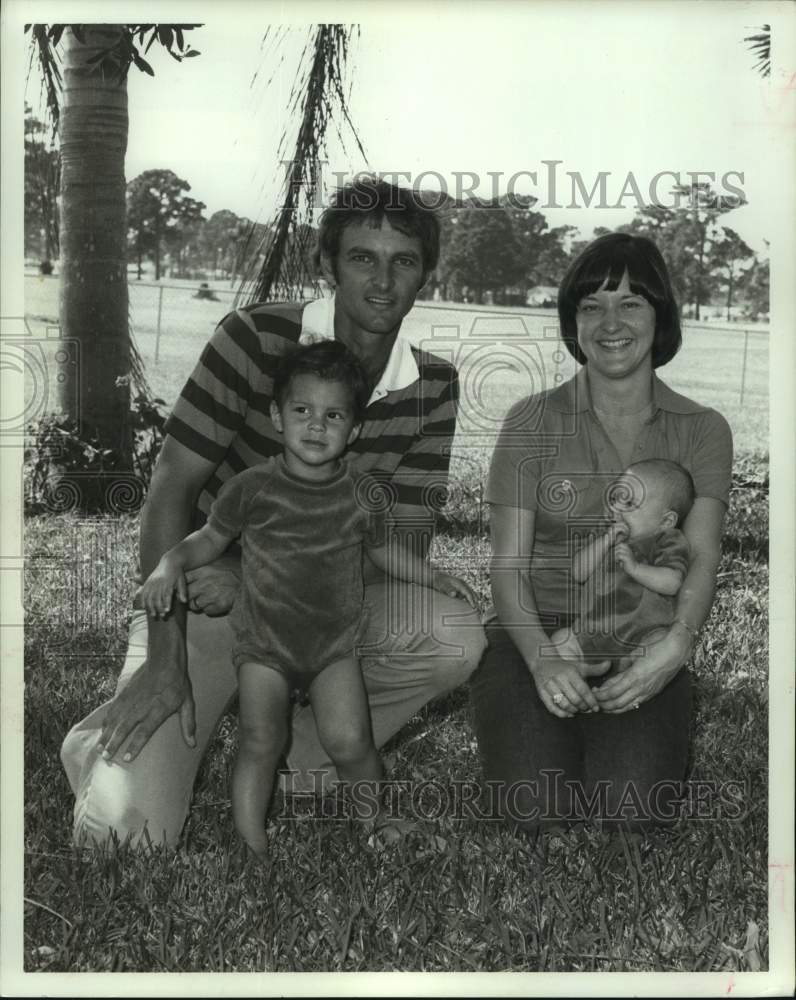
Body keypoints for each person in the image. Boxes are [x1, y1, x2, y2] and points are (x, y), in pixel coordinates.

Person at [61, 176, 487, 847]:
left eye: (403, 261)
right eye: (362, 257)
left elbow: (403, 545)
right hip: (207, 601)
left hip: (321, 608)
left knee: (454, 631)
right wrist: (165, 659)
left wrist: (270, 583)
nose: (382, 282)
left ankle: (302, 763)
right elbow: (170, 492)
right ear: (328, 264)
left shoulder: (433, 386)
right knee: (127, 840)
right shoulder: (257, 338)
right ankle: (98, 744)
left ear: (425, 274)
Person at [139, 341, 476, 855]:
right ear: (278, 417)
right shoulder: (252, 488)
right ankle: (252, 847)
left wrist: (432, 577)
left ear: (354, 429)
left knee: (351, 741)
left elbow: (384, 552)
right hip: (264, 644)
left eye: (333, 415)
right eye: (302, 411)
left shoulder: (361, 493)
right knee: (261, 740)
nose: (317, 426)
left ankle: (375, 822)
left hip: (333, 647)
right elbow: (207, 539)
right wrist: (170, 563)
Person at [470, 232, 733, 831]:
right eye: (592, 306)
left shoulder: (702, 429)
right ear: (574, 321)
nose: (610, 323)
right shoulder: (531, 419)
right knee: (535, 808)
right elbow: (507, 567)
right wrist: (542, 660)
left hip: (641, 632)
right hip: (538, 628)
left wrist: (675, 648)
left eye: (630, 303)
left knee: (631, 810)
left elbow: (701, 557)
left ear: (660, 316)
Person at [549, 458, 694, 669]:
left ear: (665, 521)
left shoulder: (666, 540)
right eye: (615, 498)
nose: (616, 507)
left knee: (660, 642)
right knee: (560, 640)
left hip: (642, 633)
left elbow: (672, 583)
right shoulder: (606, 534)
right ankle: (585, 669)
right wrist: (605, 541)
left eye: (629, 504)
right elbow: (578, 573)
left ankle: (630, 669)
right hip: (592, 632)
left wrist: (635, 568)